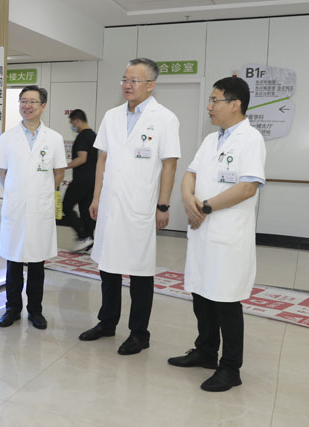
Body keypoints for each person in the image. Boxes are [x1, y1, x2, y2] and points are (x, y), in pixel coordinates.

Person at [168, 77, 265, 392]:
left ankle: (230, 368)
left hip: (227, 234)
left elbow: (247, 187)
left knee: (226, 301)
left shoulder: (250, 139)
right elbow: (190, 174)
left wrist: (205, 207)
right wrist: (188, 199)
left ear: (234, 104)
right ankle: (206, 352)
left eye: (215, 100)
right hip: (202, 232)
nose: (209, 106)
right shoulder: (211, 139)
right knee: (202, 295)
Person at [79, 58, 180, 355]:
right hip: (110, 204)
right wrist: (96, 197)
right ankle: (107, 322)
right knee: (108, 267)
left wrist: (163, 205)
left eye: (134, 80)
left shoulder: (165, 118)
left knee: (140, 272)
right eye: (124, 79)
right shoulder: (111, 116)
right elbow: (102, 160)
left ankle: (139, 333)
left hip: (141, 206)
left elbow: (170, 164)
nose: (127, 85)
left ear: (151, 85)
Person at [0, 85, 67, 330]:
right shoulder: (7, 137)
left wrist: (42, 191)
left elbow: (59, 172)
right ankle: (12, 309)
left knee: (37, 262)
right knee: (13, 262)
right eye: (23, 101)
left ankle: (35, 311)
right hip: (16, 207)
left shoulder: (54, 138)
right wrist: (18, 190)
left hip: (40, 208)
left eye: (32, 102)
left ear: (43, 106)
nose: (27, 106)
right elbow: (1, 171)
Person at [63, 109, 97, 252]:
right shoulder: (94, 136)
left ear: (77, 121)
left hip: (81, 181)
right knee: (85, 211)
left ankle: (83, 236)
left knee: (66, 206)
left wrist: (63, 166)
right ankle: (89, 241)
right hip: (92, 181)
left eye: (72, 123)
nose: (72, 126)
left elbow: (82, 159)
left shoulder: (82, 137)